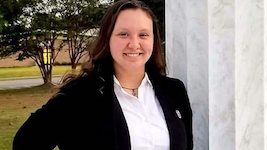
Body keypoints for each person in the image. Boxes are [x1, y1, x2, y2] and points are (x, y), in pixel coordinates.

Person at [13, 0, 193, 149]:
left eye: (143, 35)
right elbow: (25, 143)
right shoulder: (81, 95)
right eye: (123, 34)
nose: (134, 44)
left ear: (154, 39)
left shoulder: (174, 90)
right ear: (108, 38)